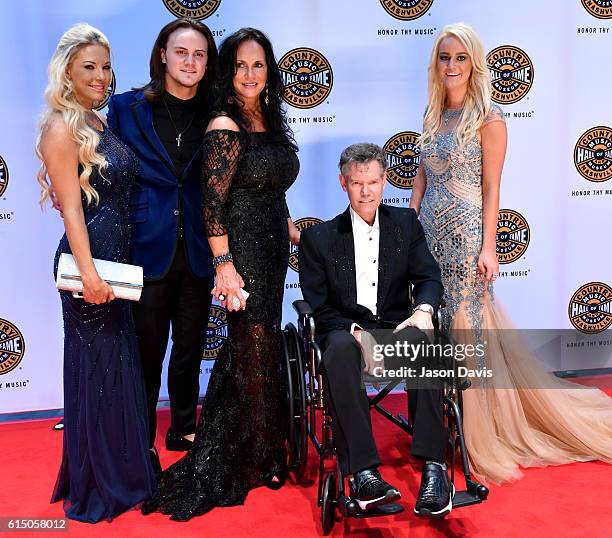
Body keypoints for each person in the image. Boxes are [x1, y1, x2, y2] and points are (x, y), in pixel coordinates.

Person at [410, 22, 612, 483]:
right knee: (434, 324)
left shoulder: (490, 117)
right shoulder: (432, 111)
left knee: (467, 329)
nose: (452, 66)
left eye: (460, 58)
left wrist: (489, 247)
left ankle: (477, 431)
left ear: (474, 63)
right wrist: (410, 220)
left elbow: (492, 187)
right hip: (427, 236)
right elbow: (421, 173)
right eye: (445, 57)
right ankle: (440, 422)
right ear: (435, 64)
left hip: (465, 239)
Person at [141, 27, 300, 521]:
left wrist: (295, 231)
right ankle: (257, 454)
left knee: (261, 344)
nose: (249, 75)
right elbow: (212, 204)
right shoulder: (224, 124)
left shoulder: (269, 120)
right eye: (239, 65)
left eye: (257, 65)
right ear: (226, 72)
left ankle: (261, 444)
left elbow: (272, 187)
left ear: (268, 70)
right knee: (252, 345)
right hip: (243, 254)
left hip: (274, 248)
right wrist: (225, 266)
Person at [36, 23, 155, 522]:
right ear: (67, 70)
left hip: (116, 264)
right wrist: (88, 273)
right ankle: (99, 482)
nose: (101, 76)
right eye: (89, 67)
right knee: (98, 371)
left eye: (106, 66)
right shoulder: (61, 128)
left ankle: (125, 473)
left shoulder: (97, 123)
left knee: (119, 367)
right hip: (91, 267)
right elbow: (71, 212)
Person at [299, 143, 454, 518]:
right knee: (336, 348)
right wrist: (353, 331)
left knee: (427, 339)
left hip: (395, 329)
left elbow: (429, 277)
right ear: (343, 184)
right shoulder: (318, 239)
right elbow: (318, 306)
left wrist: (424, 309)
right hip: (345, 333)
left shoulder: (405, 224)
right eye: (357, 183)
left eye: (372, 182)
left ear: (384, 182)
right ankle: (364, 473)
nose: (366, 191)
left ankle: (435, 469)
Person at [105, 18, 217, 467]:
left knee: (190, 347)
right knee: (146, 351)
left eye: (200, 55)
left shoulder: (216, 112)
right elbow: (103, 167)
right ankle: (140, 437)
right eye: (182, 53)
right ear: (163, 56)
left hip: (197, 246)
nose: (190, 62)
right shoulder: (126, 108)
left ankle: (184, 428)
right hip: (145, 244)